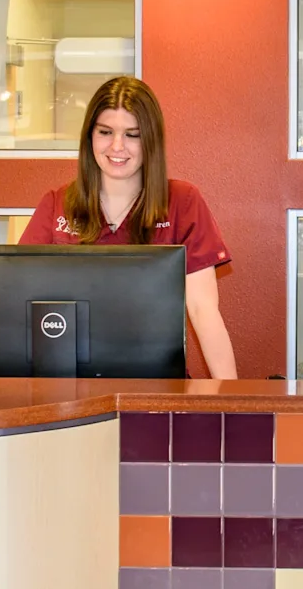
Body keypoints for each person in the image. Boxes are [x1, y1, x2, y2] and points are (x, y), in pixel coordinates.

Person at [16, 76, 239, 379]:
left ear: (151, 140)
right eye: (105, 132)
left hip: (158, 386)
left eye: (132, 134)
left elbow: (203, 310)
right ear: (89, 137)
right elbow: (18, 302)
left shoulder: (183, 202)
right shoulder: (56, 205)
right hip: (69, 385)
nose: (117, 146)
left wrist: (231, 403)